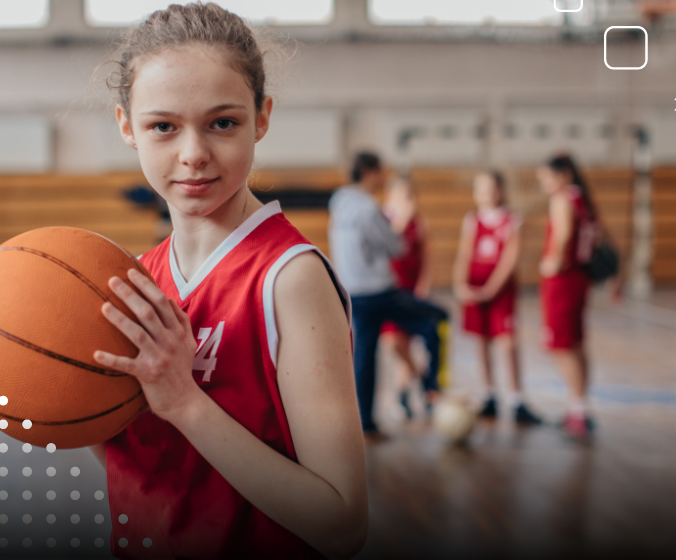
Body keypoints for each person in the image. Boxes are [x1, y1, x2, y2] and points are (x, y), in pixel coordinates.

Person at [87, 4, 367, 559]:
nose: (193, 154)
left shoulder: (289, 279)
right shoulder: (137, 283)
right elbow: (150, 471)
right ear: (126, 126)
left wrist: (185, 402)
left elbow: (342, 525)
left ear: (261, 117)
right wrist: (72, 401)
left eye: (222, 123)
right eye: (163, 126)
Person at [329, 152, 448, 440]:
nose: (382, 178)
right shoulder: (369, 206)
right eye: (380, 172)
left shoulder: (339, 201)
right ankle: (432, 388)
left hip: (352, 293)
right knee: (439, 319)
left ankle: (366, 423)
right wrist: (401, 221)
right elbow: (397, 247)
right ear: (369, 172)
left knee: (365, 356)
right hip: (379, 291)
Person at [536, 154, 618, 441]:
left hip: (563, 281)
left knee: (561, 346)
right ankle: (578, 406)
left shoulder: (562, 200)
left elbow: (563, 235)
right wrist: (617, 277)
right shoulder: (585, 202)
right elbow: (607, 237)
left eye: (547, 178)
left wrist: (553, 261)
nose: (544, 185)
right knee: (577, 344)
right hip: (581, 280)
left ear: (564, 175)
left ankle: (579, 410)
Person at [453, 171, 542, 425]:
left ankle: (516, 400)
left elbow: (509, 260)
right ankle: (488, 394)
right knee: (480, 342)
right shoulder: (472, 220)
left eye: (491, 188)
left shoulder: (512, 220)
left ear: (501, 190)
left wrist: (491, 289)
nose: (487, 193)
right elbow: (464, 255)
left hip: (499, 292)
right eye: (481, 188)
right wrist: (461, 285)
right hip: (475, 289)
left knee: (507, 343)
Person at [380, 177, 434, 418]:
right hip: (390, 290)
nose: (408, 201)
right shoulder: (385, 219)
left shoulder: (419, 223)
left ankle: (402, 394)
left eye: (411, 196)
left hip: (411, 289)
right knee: (393, 342)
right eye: (403, 196)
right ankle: (423, 377)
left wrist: (424, 286)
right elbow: (390, 245)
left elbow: (427, 258)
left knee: (406, 341)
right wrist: (402, 218)